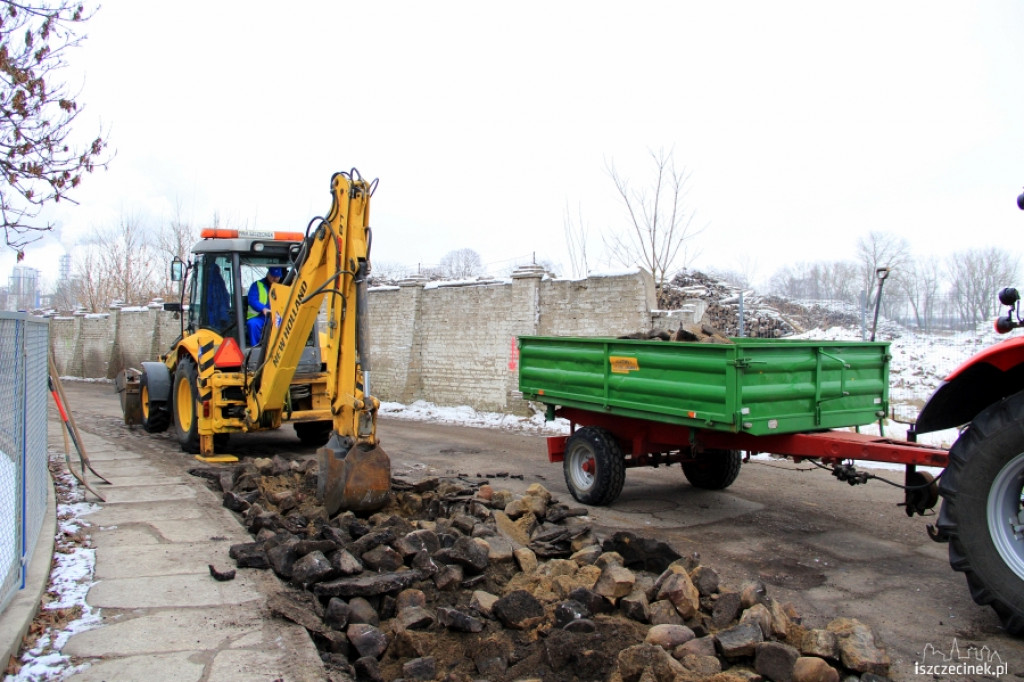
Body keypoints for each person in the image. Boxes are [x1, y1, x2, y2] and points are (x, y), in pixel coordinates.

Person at [246, 266, 283, 346]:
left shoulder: (282, 287)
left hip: (276, 316)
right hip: (260, 316)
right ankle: (255, 349)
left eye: (277, 277)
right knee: (252, 324)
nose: (275, 279)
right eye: (273, 276)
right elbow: (252, 300)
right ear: (268, 274)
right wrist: (263, 309)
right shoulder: (257, 285)